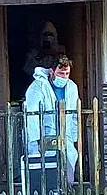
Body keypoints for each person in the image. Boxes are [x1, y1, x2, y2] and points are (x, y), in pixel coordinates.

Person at [25, 55, 79, 184]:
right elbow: (32, 115)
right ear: (51, 71)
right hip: (45, 136)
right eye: (61, 73)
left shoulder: (72, 87)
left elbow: (74, 114)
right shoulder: (38, 87)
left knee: (68, 173)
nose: (64, 77)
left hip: (66, 137)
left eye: (67, 73)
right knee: (47, 174)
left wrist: (74, 136)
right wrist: (37, 139)